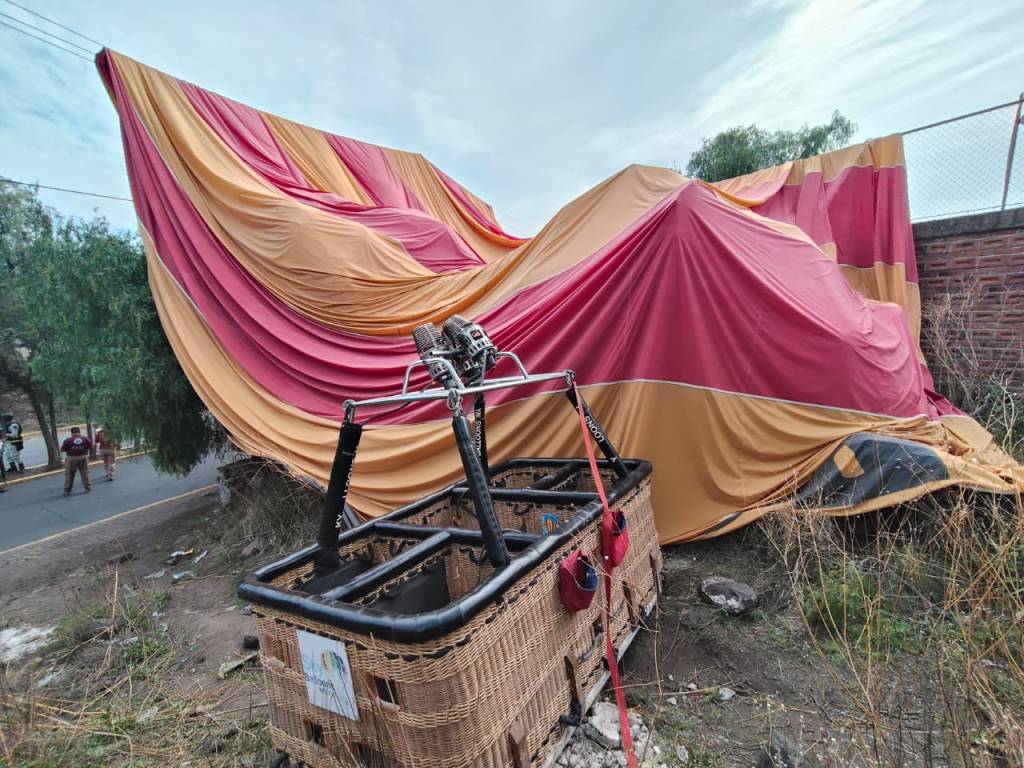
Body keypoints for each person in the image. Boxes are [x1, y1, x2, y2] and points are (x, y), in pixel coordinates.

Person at [61, 426, 92, 495]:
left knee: (69, 475)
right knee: (85, 473)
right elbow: (90, 446)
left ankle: (67, 491)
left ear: (71, 433)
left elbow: (63, 449)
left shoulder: (67, 440)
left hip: (71, 458)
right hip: (83, 457)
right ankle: (88, 488)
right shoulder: (85, 439)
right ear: (79, 432)